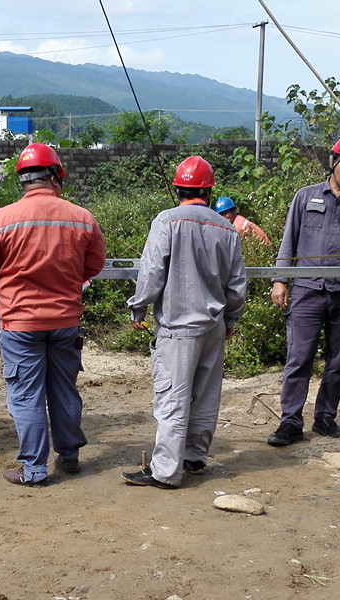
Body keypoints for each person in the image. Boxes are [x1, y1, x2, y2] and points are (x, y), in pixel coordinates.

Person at [0, 143, 106, 486]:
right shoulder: (82, 218)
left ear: (23, 181)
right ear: (56, 176)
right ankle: (70, 456)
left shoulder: (0, 219)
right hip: (65, 321)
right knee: (63, 389)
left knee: (26, 394)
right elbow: (93, 266)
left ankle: (33, 469)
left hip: (20, 324)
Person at [121, 156, 247, 490]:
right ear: (209, 190)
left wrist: (139, 308)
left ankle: (165, 471)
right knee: (205, 395)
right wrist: (231, 318)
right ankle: (194, 458)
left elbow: (151, 273)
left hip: (177, 329)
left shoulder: (166, 221)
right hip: (214, 327)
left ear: (178, 187)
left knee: (172, 399)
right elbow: (237, 285)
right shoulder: (227, 228)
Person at [267, 134, 340, 446]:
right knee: (299, 358)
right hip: (308, 292)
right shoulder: (305, 197)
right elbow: (289, 239)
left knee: (338, 362)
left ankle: (325, 418)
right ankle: (290, 422)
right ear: (334, 162)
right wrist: (280, 280)